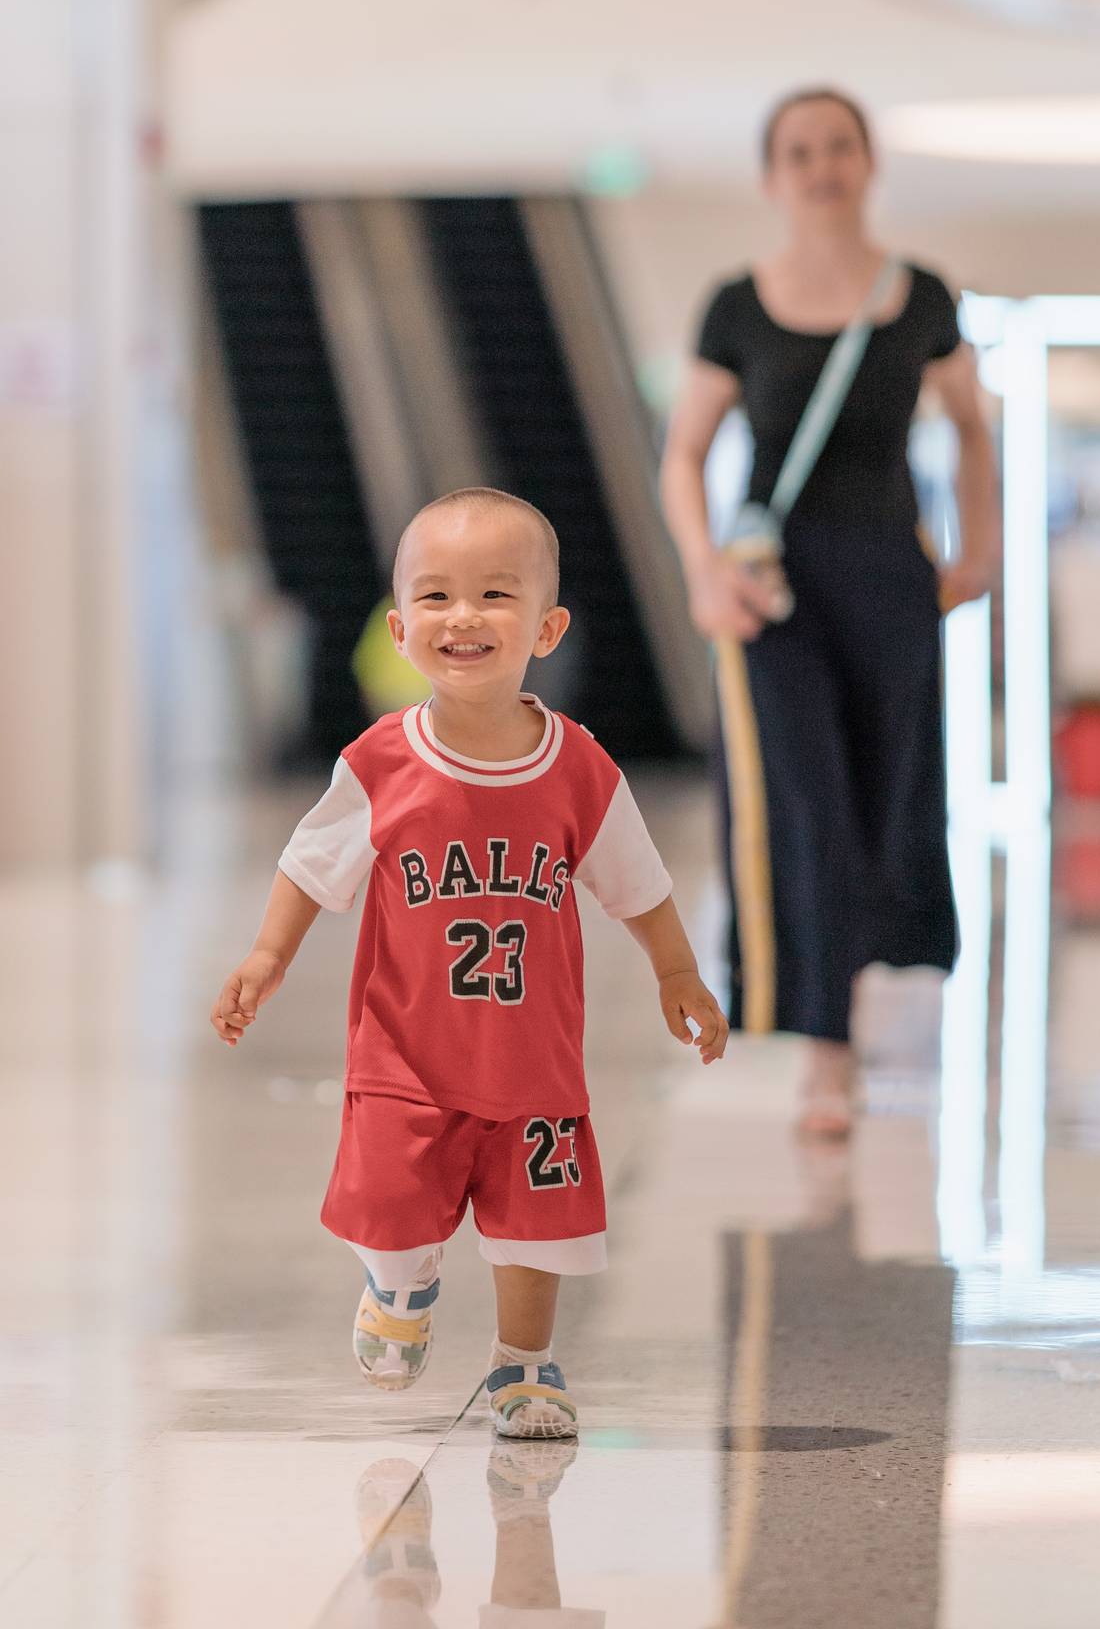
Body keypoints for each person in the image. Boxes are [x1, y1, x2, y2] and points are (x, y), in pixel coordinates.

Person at [211, 487, 728, 1438]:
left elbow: (637, 882)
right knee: (395, 1219)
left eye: (496, 594)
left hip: (534, 1064)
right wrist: (266, 954)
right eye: (438, 597)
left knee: (540, 1230)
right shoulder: (381, 762)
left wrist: (675, 972)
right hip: (405, 1057)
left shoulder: (580, 770)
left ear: (547, 626)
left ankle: (523, 1367)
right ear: (402, 629)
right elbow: (311, 862)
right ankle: (396, 1295)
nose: (465, 617)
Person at [660, 88, 996, 1137]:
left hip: (892, 577)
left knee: (888, 791)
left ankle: (857, 995)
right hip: (775, 590)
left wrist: (979, 544)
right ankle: (825, 1046)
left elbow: (973, 431)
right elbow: (683, 453)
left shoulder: (923, 297)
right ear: (773, 176)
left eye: (839, 145)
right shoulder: (736, 306)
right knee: (804, 803)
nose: (821, 166)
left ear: (867, 162)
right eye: (799, 151)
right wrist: (703, 569)